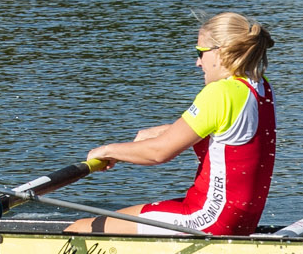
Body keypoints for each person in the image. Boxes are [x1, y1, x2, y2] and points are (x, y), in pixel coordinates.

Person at [71, 13, 277, 236]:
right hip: (238, 219)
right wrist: (159, 132)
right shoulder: (259, 87)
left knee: (81, 229)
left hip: (207, 219)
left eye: (200, 53)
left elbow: (159, 153)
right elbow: (224, 134)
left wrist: (108, 151)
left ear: (221, 51)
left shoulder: (220, 93)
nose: (198, 62)